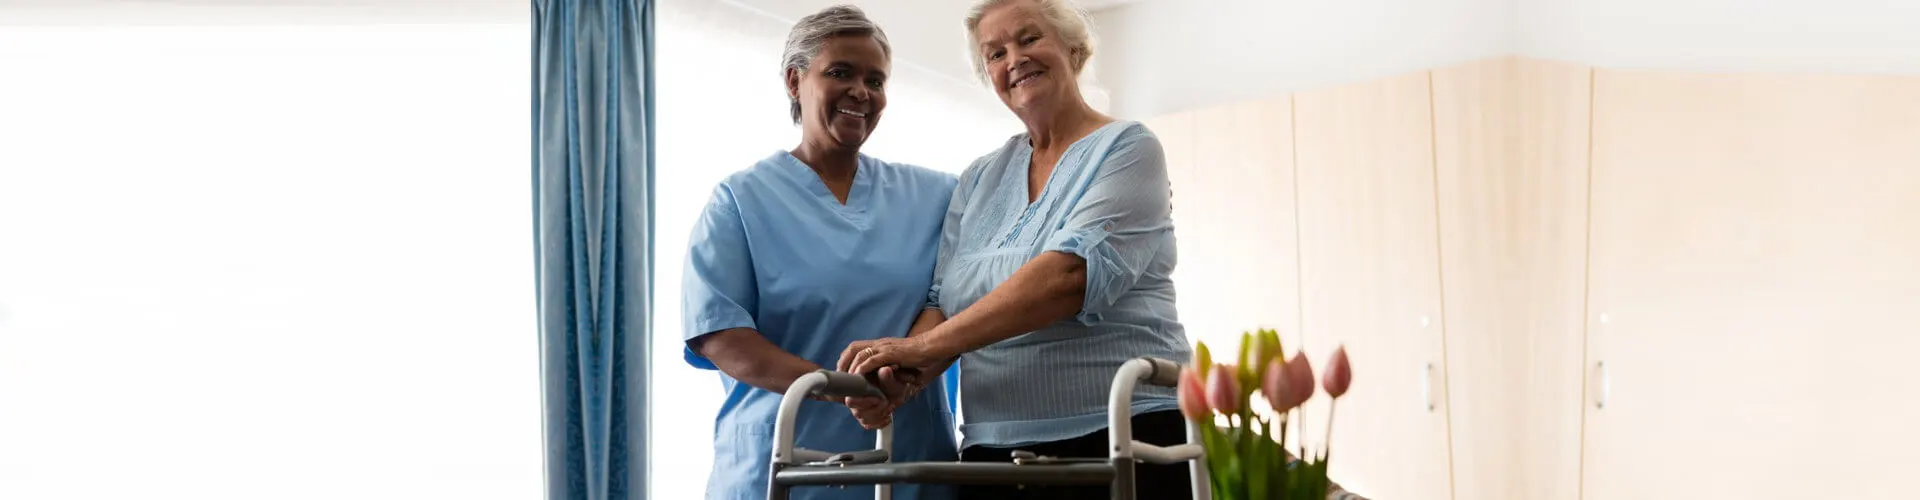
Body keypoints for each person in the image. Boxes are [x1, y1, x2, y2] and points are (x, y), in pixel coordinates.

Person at [837, 1, 1196, 498]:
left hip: (1122, 434)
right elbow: (942, 302)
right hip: (993, 450)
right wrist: (905, 378)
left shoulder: (1128, 147)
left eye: (1029, 39)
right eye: (995, 53)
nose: (1014, 59)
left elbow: (1068, 278)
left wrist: (918, 350)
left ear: (1073, 47)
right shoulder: (980, 178)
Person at [680, 6, 958, 500]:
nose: (861, 91)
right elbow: (722, 336)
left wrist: (902, 377)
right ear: (794, 80)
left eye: (876, 80)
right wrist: (841, 387)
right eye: (840, 72)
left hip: (909, 468)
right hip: (782, 466)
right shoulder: (740, 201)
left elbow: (952, 304)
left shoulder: (935, 196)